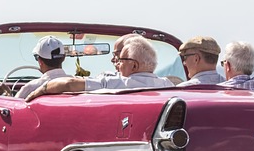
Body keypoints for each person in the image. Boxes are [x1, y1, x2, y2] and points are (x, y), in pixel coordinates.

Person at [25, 35, 173, 101]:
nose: (117, 64)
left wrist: (41, 90)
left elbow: (68, 84)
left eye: (121, 60)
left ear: (134, 65)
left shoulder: (115, 83)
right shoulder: (167, 85)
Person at [0, 35, 69, 98]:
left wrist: (6, 94)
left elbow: (14, 109)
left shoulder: (31, 88)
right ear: (64, 58)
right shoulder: (77, 84)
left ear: (40, 61)